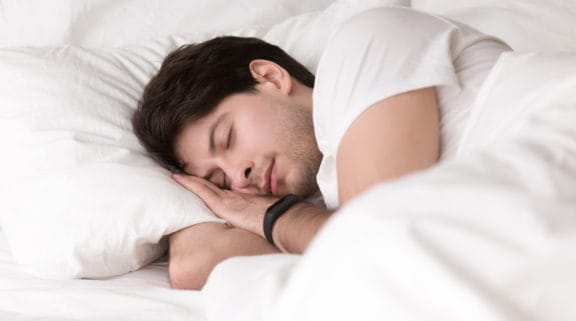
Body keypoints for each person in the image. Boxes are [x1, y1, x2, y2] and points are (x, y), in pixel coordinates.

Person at [132, 6, 510, 290]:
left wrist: (277, 218)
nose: (238, 177)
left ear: (269, 77)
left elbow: (374, 235)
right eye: (218, 179)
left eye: (227, 138)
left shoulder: (365, 42)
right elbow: (192, 266)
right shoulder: (324, 203)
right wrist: (208, 201)